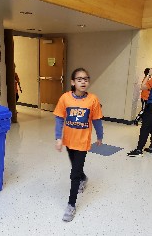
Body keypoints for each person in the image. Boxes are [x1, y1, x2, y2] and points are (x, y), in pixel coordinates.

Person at [53, 68, 103, 222]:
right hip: (69, 140)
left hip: (82, 142)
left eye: (86, 79)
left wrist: (100, 136)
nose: (83, 82)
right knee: (76, 167)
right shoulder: (65, 98)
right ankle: (83, 178)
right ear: (72, 82)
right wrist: (58, 138)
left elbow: (97, 120)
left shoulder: (93, 100)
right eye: (79, 79)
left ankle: (71, 204)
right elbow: (59, 119)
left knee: (74, 173)